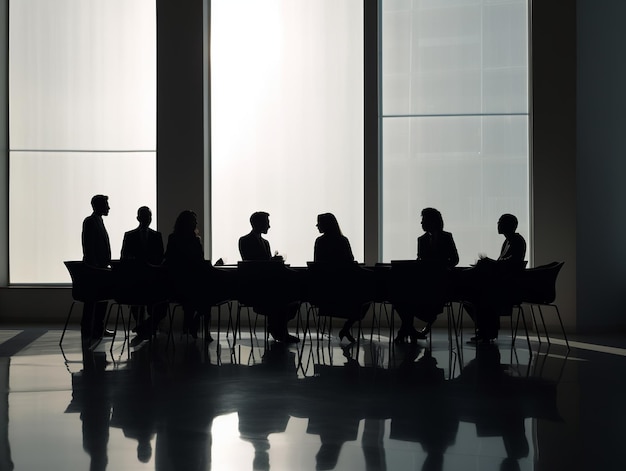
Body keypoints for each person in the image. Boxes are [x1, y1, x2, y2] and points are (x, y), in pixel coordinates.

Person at [394, 208, 458, 344]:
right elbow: (420, 260)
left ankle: (406, 330)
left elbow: (455, 259)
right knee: (401, 297)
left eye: (424, 220)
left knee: (407, 298)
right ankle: (409, 329)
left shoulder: (446, 237)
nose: (421, 223)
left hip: (440, 282)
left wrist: (443, 268)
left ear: (433, 221)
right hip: (424, 281)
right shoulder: (421, 240)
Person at [239, 211, 300, 343]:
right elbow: (253, 264)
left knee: (289, 298)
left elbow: (263, 263)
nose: (269, 226)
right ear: (258, 223)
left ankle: (277, 329)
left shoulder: (265, 242)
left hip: (267, 284)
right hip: (257, 285)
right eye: (267, 223)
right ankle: (279, 330)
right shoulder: (244, 240)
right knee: (282, 298)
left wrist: (272, 260)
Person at [465, 213, 527, 343]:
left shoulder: (517, 241)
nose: (498, 225)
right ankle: (486, 329)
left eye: (500, 222)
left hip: (508, 285)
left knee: (478, 295)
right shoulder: (508, 241)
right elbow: (503, 263)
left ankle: (486, 330)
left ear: (510, 225)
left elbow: (512, 263)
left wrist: (489, 262)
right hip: (502, 282)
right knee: (472, 295)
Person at [313, 213, 368, 344]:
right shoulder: (343, 240)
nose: (317, 226)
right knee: (366, 297)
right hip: (345, 288)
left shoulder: (320, 242)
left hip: (327, 290)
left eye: (318, 223)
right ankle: (346, 327)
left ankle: (345, 328)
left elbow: (317, 264)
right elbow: (350, 260)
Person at [120, 206, 166, 341]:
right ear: (138, 218)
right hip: (137, 280)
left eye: (149, 216)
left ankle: (144, 326)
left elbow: (160, 257)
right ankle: (145, 326)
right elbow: (124, 257)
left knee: (156, 302)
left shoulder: (156, 236)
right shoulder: (130, 236)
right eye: (145, 216)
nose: (148, 219)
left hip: (151, 280)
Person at [163, 210, 206, 339]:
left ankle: (190, 323)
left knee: (195, 292)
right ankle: (192, 323)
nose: (196, 223)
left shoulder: (175, 238)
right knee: (197, 293)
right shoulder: (193, 240)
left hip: (183, 281)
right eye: (194, 221)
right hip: (179, 282)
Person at [81, 194, 113, 340]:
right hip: (94, 270)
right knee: (92, 302)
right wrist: (95, 267)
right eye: (106, 205)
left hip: (101, 268)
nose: (109, 207)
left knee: (102, 300)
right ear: (99, 206)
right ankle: (89, 329)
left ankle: (98, 328)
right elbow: (88, 246)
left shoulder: (97, 220)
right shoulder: (90, 221)